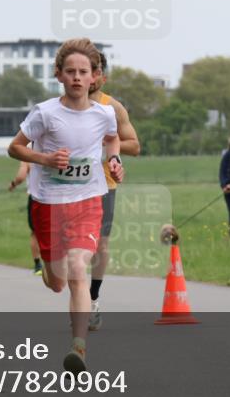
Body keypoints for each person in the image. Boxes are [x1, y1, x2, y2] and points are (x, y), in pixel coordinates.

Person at [8, 37, 123, 374]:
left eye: (83, 72)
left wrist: (114, 160)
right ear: (59, 74)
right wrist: (44, 157)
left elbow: (113, 138)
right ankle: (46, 267)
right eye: (70, 71)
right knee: (56, 280)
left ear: (94, 77)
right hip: (48, 204)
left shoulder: (104, 114)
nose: (76, 77)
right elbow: (15, 148)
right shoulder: (45, 113)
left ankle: (79, 348)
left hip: (88, 201)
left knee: (77, 270)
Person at [86, 51, 140, 331]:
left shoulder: (113, 108)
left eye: (93, 71)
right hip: (67, 186)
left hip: (103, 185)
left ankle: (92, 298)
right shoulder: (59, 108)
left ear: (101, 76)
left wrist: (107, 146)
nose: (87, 77)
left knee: (99, 244)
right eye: (82, 70)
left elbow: (134, 145)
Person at [8, 160, 43, 275]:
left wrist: (13, 184)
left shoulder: (28, 154)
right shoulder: (54, 148)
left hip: (36, 197)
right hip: (56, 196)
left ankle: (38, 265)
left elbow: (21, 177)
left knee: (35, 232)